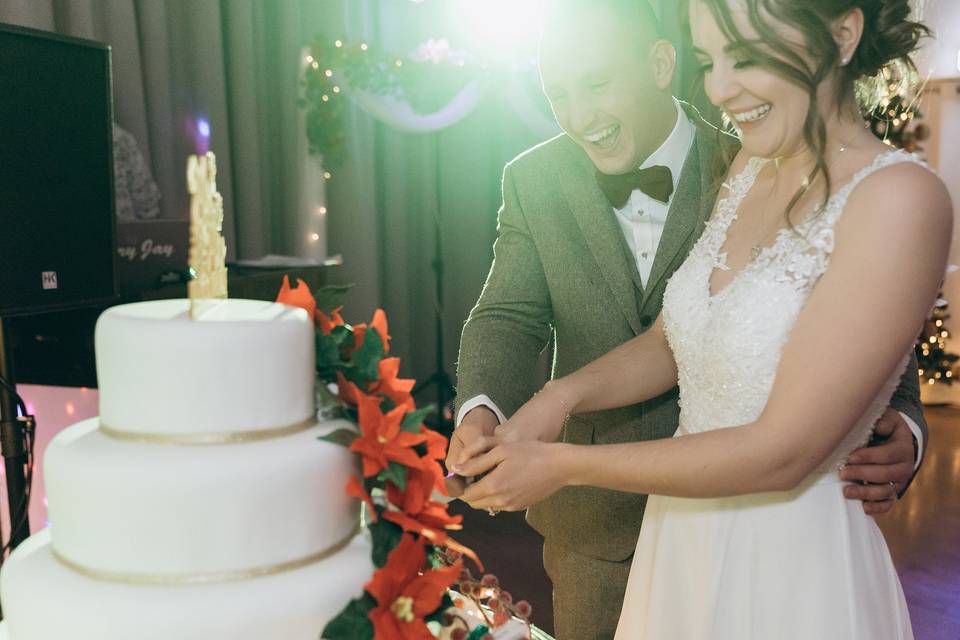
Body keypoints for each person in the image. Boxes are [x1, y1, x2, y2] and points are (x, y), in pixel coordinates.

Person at [451, 0, 951, 637]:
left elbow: (789, 444)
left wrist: (563, 464)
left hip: (790, 550)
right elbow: (675, 333)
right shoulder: (749, 167)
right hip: (673, 539)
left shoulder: (901, 196)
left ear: (843, 34)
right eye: (711, 60)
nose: (718, 86)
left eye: (745, 56)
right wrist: (558, 398)